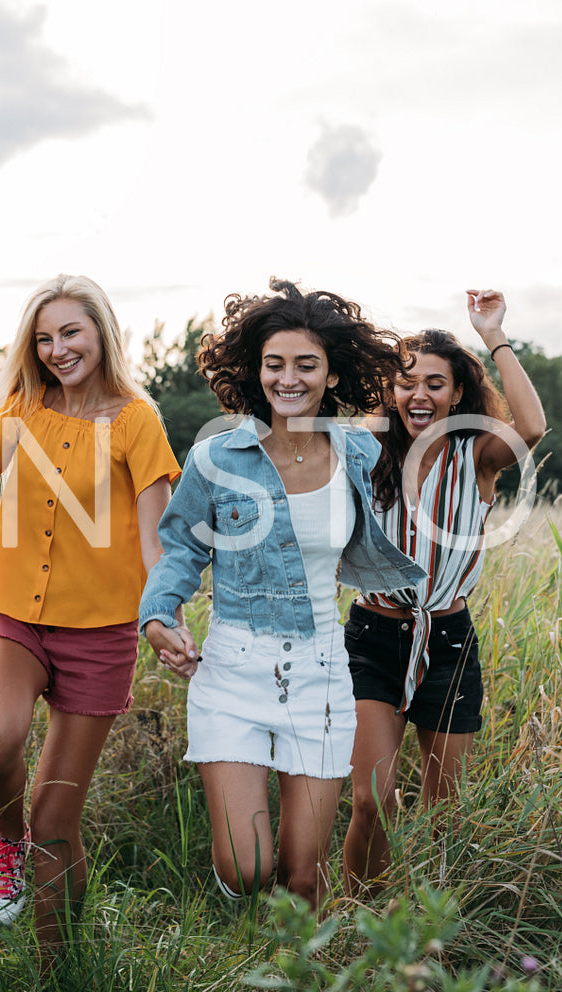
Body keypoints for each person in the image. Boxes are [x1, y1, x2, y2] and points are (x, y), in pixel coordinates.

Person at [140, 278, 425, 907]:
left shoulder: (358, 451)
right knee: (248, 869)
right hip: (234, 670)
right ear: (255, 371)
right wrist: (159, 614)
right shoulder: (218, 458)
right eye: (275, 364)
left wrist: (494, 338)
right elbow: (183, 547)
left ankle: (302, 974)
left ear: (331, 374)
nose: (288, 378)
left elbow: (467, 430)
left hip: (322, 671)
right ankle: (241, 911)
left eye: (306, 364)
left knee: (303, 873)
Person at [0, 275, 179, 951]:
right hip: (14, 616)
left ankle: (57, 970)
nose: (57, 349)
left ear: (101, 331)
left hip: (100, 634)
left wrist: (165, 616)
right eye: (43, 338)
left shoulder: (137, 418)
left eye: (70, 332)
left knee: (57, 820)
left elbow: (155, 540)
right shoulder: (18, 410)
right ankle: (5, 840)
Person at [341, 289, 545, 895]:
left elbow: (532, 425)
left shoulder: (477, 454)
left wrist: (493, 335)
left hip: (448, 642)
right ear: (391, 391)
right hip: (373, 637)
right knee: (372, 800)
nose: (419, 395)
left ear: (458, 393)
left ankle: (432, 934)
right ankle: (360, 923)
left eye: (435, 383)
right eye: (406, 383)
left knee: (444, 815)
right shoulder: (367, 450)